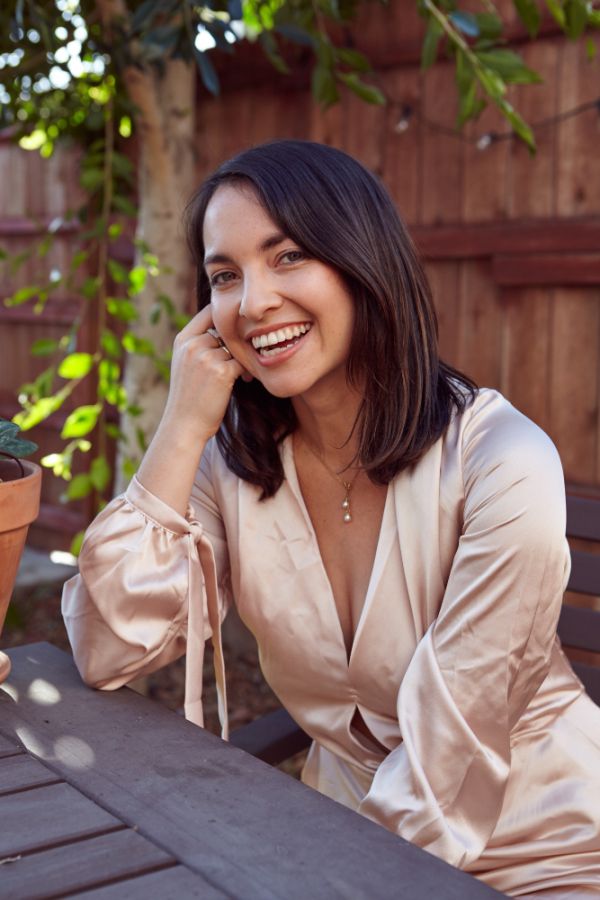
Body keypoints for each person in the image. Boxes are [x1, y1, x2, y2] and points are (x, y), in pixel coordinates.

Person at [62, 140, 600, 897]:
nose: (251, 303)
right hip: (340, 837)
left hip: (552, 851)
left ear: (361, 262)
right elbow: (109, 646)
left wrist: (319, 871)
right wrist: (180, 427)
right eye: (225, 276)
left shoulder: (503, 463)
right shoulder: (233, 462)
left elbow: (456, 746)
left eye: (287, 258)